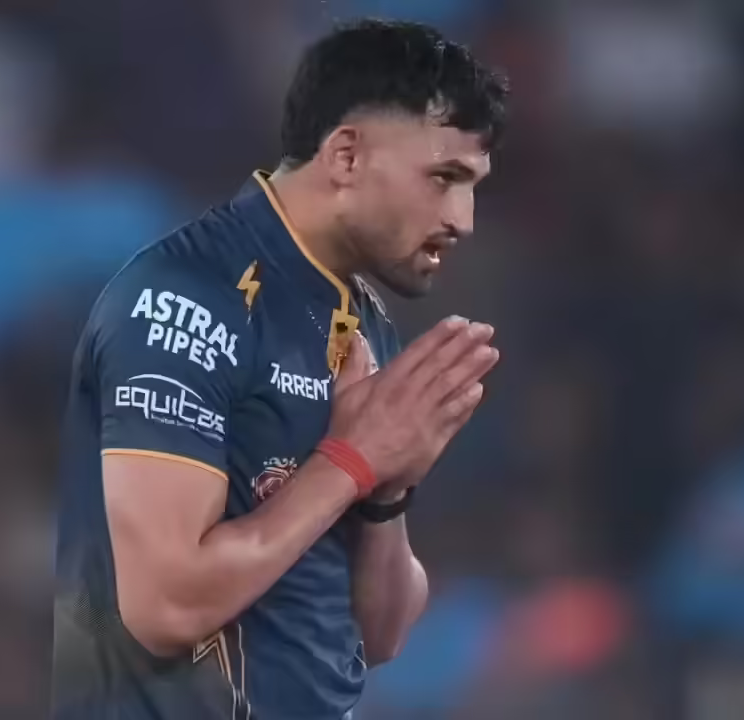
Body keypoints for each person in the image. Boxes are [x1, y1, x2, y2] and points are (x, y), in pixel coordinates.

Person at [50, 19, 508, 719]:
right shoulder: (184, 298)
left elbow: (380, 635)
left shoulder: (364, 321)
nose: (463, 219)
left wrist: (386, 492)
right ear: (346, 156)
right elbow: (166, 606)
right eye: (444, 178)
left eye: (472, 186)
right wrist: (352, 460)